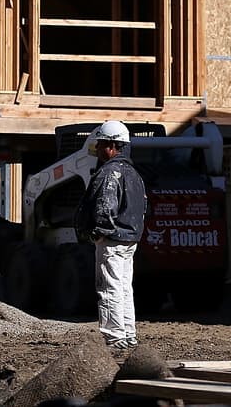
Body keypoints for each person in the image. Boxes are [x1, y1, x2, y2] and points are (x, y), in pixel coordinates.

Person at [74, 120, 147, 350]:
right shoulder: (134, 174)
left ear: (113, 146)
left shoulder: (110, 173)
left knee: (109, 288)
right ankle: (127, 334)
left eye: (101, 144)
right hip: (129, 238)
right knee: (124, 287)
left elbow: (104, 207)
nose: (98, 149)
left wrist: (98, 232)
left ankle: (114, 338)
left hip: (112, 239)